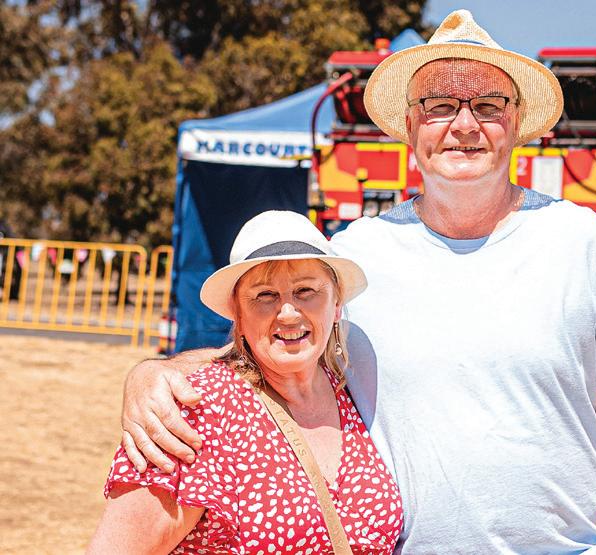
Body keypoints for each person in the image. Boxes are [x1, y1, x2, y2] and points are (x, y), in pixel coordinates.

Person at [119, 10, 596, 554]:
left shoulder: (584, 242)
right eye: (439, 106)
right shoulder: (357, 255)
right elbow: (274, 348)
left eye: (488, 105)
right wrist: (155, 373)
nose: (464, 125)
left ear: (517, 120)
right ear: (409, 125)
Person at [89, 211, 403, 554]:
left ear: (337, 303)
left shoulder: (354, 390)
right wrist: (146, 371)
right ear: (237, 313)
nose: (288, 313)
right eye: (265, 295)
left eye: (306, 290)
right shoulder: (196, 411)